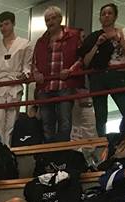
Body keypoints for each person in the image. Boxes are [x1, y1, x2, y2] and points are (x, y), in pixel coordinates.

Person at [80, 3, 125, 138]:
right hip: (98, 76)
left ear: (115, 16)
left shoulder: (123, 32)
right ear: (100, 18)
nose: (106, 16)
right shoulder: (94, 37)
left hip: (117, 74)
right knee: (100, 115)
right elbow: (85, 62)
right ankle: (102, 141)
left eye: (110, 13)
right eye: (103, 14)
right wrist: (97, 44)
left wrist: (117, 38)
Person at [31, 6, 83, 144]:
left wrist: (70, 71)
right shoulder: (41, 41)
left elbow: (81, 58)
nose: (50, 22)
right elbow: (33, 63)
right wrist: (36, 74)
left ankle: (62, 151)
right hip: (45, 86)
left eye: (53, 18)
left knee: (64, 120)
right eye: (47, 20)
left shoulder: (73, 36)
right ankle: (49, 152)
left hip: (65, 84)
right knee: (46, 122)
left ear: (60, 19)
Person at [0, 11, 33, 147]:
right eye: (0, 25)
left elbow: (27, 67)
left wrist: (25, 74)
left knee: (11, 123)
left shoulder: (25, 44)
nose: (3, 28)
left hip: (14, 85)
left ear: (13, 24)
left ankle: (7, 151)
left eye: (6, 24)